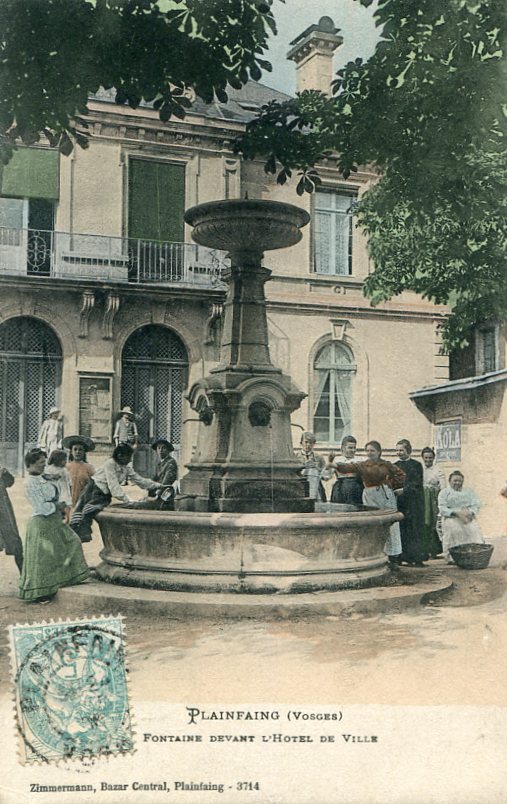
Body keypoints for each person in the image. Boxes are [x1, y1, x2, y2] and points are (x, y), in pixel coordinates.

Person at [19, 448, 89, 603]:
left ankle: (65, 579)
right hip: (41, 523)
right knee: (45, 558)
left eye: (44, 462)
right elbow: (41, 507)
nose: (43, 466)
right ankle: (41, 592)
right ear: (30, 464)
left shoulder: (42, 477)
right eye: (39, 463)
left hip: (54, 520)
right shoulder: (29, 483)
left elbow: (53, 485)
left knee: (72, 542)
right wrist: (58, 505)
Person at [69, 444, 163, 542]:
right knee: (89, 510)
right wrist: (127, 500)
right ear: (120, 455)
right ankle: (81, 532)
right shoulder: (110, 464)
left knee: (99, 510)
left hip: (104, 493)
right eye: (128, 457)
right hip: (95, 489)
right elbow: (113, 486)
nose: (130, 460)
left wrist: (157, 485)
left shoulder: (126, 467)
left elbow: (139, 480)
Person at [334, 440, 405, 565]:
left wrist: (392, 485)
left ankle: (393, 556)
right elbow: (348, 467)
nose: (370, 453)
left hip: (385, 495)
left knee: (390, 523)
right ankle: (376, 554)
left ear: (379, 452)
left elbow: (401, 474)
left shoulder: (386, 464)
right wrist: (334, 465)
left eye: (373, 451)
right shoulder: (363, 465)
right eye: (367, 451)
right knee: (373, 523)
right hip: (370, 495)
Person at [438, 471, 485, 564]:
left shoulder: (469, 492)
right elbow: (442, 508)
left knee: (474, 530)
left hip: (467, 516)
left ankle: (473, 555)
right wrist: (455, 513)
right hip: (451, 517)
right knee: (455, 530)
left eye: (460, 481)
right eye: (455, 481)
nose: (457, 483)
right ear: (450, 481)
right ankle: (452, 557)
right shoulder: (444, 493)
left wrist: (470, 513)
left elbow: (476, 504)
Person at [394, 439, 426, 567]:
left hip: (414, 502)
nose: (399, 453)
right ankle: (402, 557)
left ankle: (416, 558)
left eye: (401, 450)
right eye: (397, 450)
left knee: (414, 529)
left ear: (409, 450)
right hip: (401, 502)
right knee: (402, 529)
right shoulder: (395, 465)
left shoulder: (416, 465)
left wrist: (404, 490)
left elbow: (417, 483)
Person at [127, 439, 179, 510]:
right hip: (157, 494)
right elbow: (154, 479)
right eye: (159, 448)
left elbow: (166, 482)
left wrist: (156, 496)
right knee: (135, 503)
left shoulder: (171, 463)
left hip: (164, 498)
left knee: (135, 506)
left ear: (168, 450)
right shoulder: (161, 463)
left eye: (163, 448)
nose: (160, 450)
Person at [421, 447, 445, 558]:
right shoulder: (420, 469)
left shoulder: (438, 470)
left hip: (434, 498)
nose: (428, 460)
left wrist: (441, 497)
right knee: (424, 522)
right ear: (422, 458)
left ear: (433, 458)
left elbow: (443, 485)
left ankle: (434, 550)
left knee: (433, 522)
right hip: (423, 497)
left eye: (430, 458)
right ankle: (425, 550)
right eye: (426, 458)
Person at [295, 432, 332, 501]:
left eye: (311, 443)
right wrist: (302, 466)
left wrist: (317, 468)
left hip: (316, 489)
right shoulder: (295, 457)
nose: (308, 445)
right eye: (306, 442)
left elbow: (326, 477)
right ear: (301, 443)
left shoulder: (319, 457)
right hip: (299, 488)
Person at [0, 464, 23, 572]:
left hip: (4, 513)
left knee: (15, 543)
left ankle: (25, 575)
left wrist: (5, 473)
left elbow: (10, 482)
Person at [63, 435, 96, 509]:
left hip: (83, 503)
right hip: (67, 503)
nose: (77, 452)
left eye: (80, 449)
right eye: (75, 449)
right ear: (71, 452)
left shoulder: (89, 468)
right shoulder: (66, 467)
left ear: (84, 452)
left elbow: (94, 487)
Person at [329, 435, 364, 506]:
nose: (353, 450)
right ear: (343, 448)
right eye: (350, 448)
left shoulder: (360, 460)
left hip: (355, 489)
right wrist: (330, 462)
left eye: (354, 448)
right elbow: (326, 476)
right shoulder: (337, 460)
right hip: (340, 489)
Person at [43, 449, 73, 523]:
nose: (65, 462)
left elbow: (69, 483)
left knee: (65, 510)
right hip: (55, 492)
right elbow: (44, 477)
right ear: (57, 460)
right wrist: (52, 477)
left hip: (64, 491)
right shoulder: (49, 469)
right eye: (64, 460)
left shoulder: (64, 470)